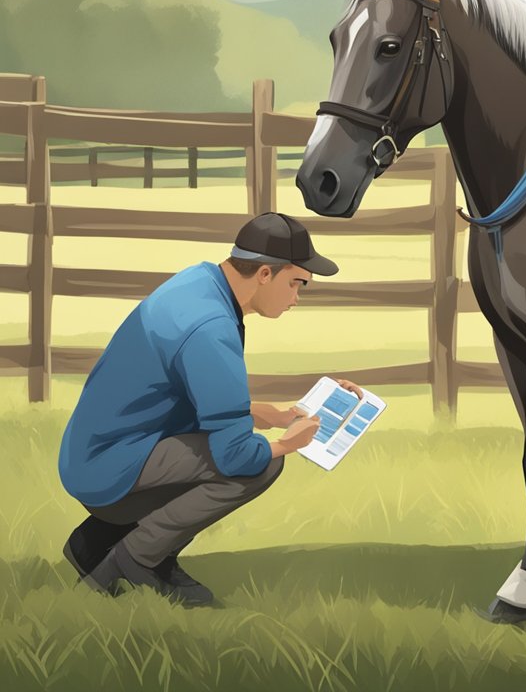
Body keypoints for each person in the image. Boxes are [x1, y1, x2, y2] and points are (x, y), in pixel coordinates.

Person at [58, 212, 362, 606]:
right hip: (108, 469)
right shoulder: (211, 328)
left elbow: (190, 394)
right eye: (296, 283)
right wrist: (289, 443)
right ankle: (136, 559)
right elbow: (235, 454)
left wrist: (275, 415)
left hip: (98, 451)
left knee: (235, 448)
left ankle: (94, 541)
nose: (296, 299)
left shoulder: (200, 283)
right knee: (261, 464)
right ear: (265, 275)